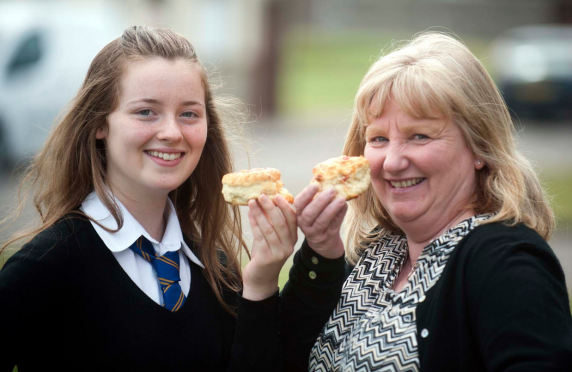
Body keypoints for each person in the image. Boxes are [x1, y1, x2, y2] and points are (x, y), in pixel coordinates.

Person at [0, 26, 296, 372]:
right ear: (100, 124)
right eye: (145, 112)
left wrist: (260, 283)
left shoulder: (218, 269)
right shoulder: (45, 266)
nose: (171, 133)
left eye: (189, 114)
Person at [280, 32, 572, 371]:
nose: (391, 162)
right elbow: (281, 354)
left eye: (419, 136)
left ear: (479, 147)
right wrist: (318, 255)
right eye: (378, 138)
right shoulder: (376, 252)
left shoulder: (507, 262)